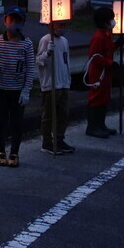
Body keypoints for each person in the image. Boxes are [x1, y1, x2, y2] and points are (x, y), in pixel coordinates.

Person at [0, 7, 36, 167]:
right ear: (5, 21)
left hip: (18, 90)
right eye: (12, 20)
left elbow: (30, 68)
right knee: (1, 121)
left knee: (17, 122)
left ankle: (14, 153)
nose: (14, 24)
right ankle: (0, 151)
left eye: (18, 21)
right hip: (1, 88)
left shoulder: (27, 44)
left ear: (23, 23)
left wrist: (26, 90)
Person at [36, 22, 75, 155]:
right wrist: (47, 53)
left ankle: (59, 139)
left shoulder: (64, 41)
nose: (61, 28)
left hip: (63, 82)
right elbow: (39, 60)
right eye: (59, 25)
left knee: (63, 114)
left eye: (64, 25)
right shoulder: (46, 40)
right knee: (49, 115)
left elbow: (66, 60)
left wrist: (68, 79)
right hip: (51, 83)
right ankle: (47, 142)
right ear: (50, 26)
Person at [86, 6, 122, 138]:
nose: (113, 21)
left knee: (105, 97)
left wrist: (116, 44)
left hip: (106, 72)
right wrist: (110, 63)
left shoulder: (107, 35)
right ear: (104, 21)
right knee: (96, 98)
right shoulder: (98, 37)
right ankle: (92, 127)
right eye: (111, 19)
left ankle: (101, 125)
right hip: (98, 73)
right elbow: (94, 56)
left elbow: (107, 49)